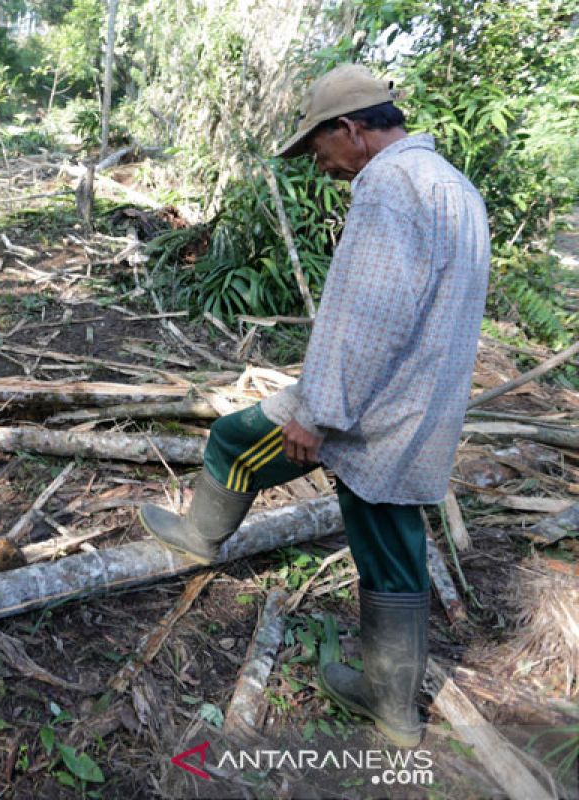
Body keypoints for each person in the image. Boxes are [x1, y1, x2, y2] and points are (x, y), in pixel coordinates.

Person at [138, 64, 491, 747]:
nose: (317, 161)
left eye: (317, 146)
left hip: (370, 409)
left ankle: (200, 536)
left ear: (352, 130)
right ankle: (394, 709)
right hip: (424, 408)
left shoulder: (389, 186)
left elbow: (369, 318)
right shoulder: (454, 186)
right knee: (391, 545)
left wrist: (319, 412)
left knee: (234, 440)